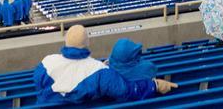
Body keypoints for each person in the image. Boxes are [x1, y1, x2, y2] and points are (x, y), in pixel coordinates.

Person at [33, 25, 175, 104]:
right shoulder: (100, 70)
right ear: (87, 43)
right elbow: (126, 91)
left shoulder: (46, 63)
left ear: (66, 42)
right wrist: (154, 85)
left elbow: (41, 87)